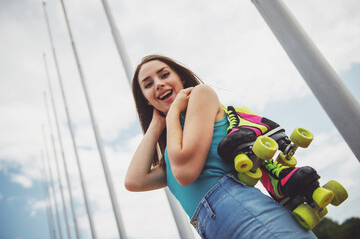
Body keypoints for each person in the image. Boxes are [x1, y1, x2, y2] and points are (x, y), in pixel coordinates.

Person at [125, 55, 317, 239]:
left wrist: (173, 111)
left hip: (245, 214)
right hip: (213, 227)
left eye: (164, 74)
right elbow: (134, 181)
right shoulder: (173, 147)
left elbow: (185, 173)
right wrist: (155, 126)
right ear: (147, 101)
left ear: (181, 79)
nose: (158, 83)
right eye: (148, 84)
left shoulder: (201, 94)